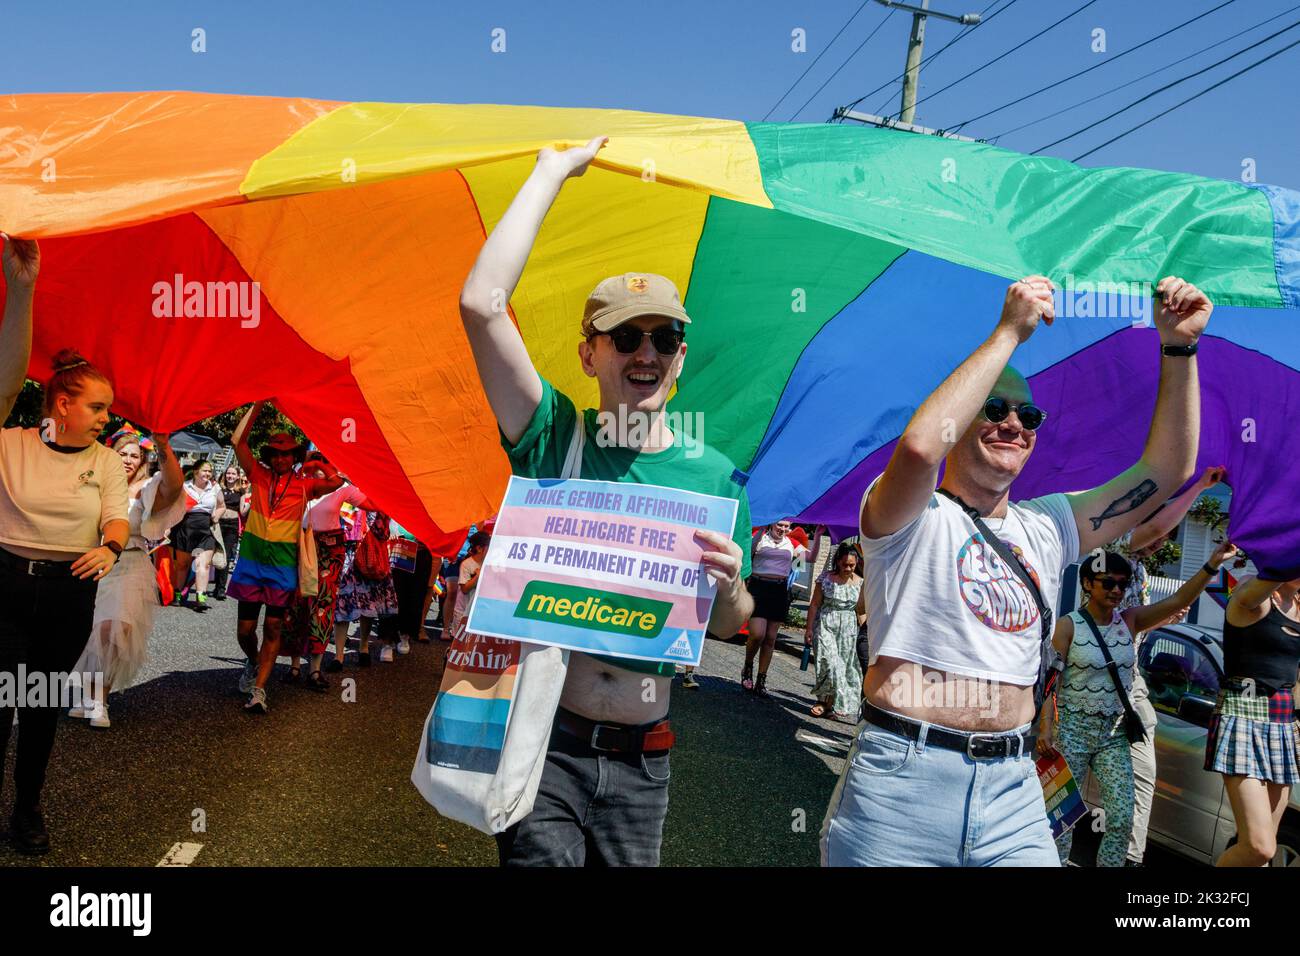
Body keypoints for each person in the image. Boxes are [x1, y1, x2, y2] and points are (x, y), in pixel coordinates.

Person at [820, 273, 1213, 867]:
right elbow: (923, 448)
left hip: (1014, 788)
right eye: (993, 408)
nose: (1014, 423)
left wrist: (1179, 347)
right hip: (901, 783)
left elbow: (1165, 470)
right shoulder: (907, 510)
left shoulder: (1050, 524)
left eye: (1028, 414)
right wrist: (1009, 332)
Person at [459, 136, 752, 866]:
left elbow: (727, 626)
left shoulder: (715, 476)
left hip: (645, 759)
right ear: (590, 353)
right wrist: (550, 173)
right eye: (625, 336)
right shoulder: (554, 435)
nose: (646, 351)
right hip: (544, 743)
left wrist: (733, 582)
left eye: (665, 336)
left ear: (681, 356)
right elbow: (479, 305)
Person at [0, 234, 130, 853]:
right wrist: (21, 290)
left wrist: (109, 547)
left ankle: (27, 811)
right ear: (60, 403)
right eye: (98, 407)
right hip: (3, 587)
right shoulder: (11, 443)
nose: (107, 417)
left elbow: (116, 518)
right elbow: (3, 384)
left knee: (41, 706)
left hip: (67, 594)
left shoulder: (107, 462)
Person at [1042, 542, 1234, 866]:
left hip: (1113, 736)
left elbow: (1178, 599)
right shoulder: (1068, 626)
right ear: (1088, 584)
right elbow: (1049, 683)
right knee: (1061, 817)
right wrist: (1046, 727)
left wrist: (1212, 565)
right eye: (1109, 583)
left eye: (1123, 583)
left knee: (1122, 817)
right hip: (1073, 733)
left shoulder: (1129, 621)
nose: (1117, 590)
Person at [1110, 463, 1224, 865]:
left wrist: (1161, 617)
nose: (1160, 545)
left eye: (1167, 540)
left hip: (1131, 687)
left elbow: (1132, 626)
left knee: (1141, 782)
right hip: (1090, 685)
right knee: (1066, 788)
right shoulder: (1116, 548)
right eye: (1159, 536)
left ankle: (1129, 860)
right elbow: (1154, 529)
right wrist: (1198, 488)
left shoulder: (1140, 572)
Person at [226, 401, 342, 714]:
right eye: (276, 453)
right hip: (251, 564)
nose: (280, 458)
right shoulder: (258, 475)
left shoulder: (305, 485)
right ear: (269, 457)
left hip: (282, 568)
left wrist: (315, 460)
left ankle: (260, 690)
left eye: (287, 453)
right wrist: (258, 403)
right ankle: (253, 662)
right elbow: (238, 441)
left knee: (274, 629)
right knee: (245, 631)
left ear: (293, 457)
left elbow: (337, 481)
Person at [70, 431, 185, 728]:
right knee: (89, 631)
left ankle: (100, 700)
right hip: (93, 564)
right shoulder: (95, 482)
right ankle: (88, 696)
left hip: (130, 565)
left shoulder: (147, 488)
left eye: (135, 455)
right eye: (123, 453)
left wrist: (162, 444)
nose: (129, 459)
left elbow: (174, 487)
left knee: (114, 630)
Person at [1208, 572, 1300, 866]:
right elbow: (1247, 596)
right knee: (1259, 847)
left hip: (1284, 725)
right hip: (1242, 717)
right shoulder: (1254, 594)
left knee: (1262, 855)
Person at [742, 519, 809, 695]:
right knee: (757, 634)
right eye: (780, 524)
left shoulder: (792, 543)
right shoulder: (761, 538)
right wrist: (762, 528)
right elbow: (748, 551)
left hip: (779, 590)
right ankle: (748, 666)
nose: (783, 529)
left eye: (786, 526)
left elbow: (808, 560)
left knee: (771, 638)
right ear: (772, 524)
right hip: (758, 586)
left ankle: (761, 680)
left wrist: (815, 537)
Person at [804, 542, 865, 721]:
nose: (848, 568)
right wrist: (808, 629)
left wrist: (866, 633)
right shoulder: (825, 579)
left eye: (852, 565)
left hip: (848, 630)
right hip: (826, 625)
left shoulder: (861, 583)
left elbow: (860, 611)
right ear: (837, 562)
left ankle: (828, 705)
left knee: (844, 668)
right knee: (829, 664)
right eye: (845, 564)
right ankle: (823, 702)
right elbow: (814, 604)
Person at [334, 510, 400, 664]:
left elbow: (383, 532)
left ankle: (360, 649)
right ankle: (341, 655)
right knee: (345, 605)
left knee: (365, 606)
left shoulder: (376, 503)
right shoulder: (344, 496)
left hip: (369, 559)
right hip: (348, 555)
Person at [170, 459, 223, 612]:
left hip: (205, 530)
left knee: (203, 564)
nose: (207, 473)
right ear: (195, 471)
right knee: (182, 565)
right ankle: (178, 595)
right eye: (204, 470)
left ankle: (201, 597)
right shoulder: (185, 487)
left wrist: (216, 516)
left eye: (209, 471)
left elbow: (221, 506)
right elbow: (173, 506)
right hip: (185, 528)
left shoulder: (215, 488)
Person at [212, 464, 246, 600]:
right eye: (228, 473)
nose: (230, 476)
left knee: (225, 556)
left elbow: (242, 511)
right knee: (216, 553)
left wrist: (251, 502)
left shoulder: (241, 492)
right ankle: (216, 585)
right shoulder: (218, 489)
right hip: (218, 523)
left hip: (231, 526)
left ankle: (221, 588)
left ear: (238, 476)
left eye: (233, 474)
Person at [449, 531, 489, 637]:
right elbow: (464, 589)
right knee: (458, 640)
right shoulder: (466, 564)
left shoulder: (488, 563)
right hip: (463, 611)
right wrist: (477, 576)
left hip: (476, 612)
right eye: (488, 547)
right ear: (480, 548)